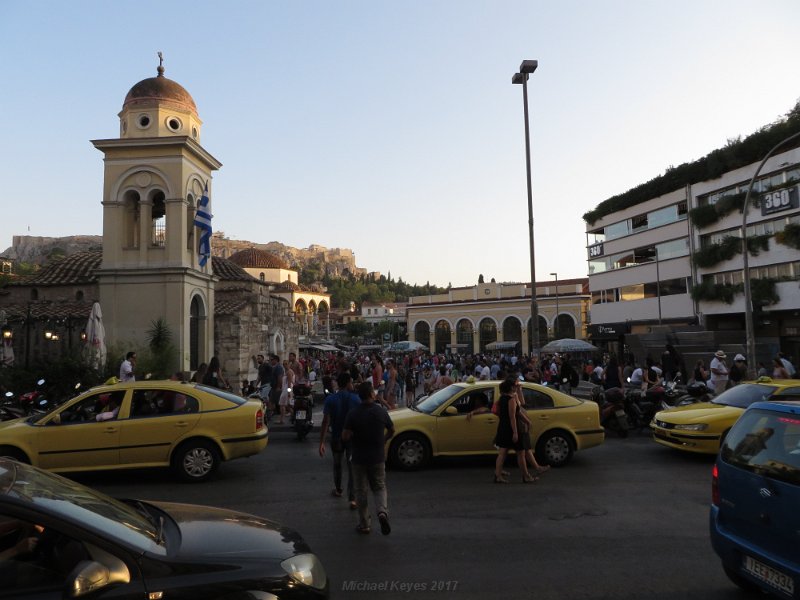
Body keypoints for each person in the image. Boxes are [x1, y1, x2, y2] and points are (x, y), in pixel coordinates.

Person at [342, 381, 395, 535]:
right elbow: (392, 430)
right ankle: (382, 512)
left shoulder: (353, 413)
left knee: (361, 491)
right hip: (377, 456)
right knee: (379, 487)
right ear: (372, 394)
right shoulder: (380, 411)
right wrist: (383, 440)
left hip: (359, 457)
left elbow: (345, 436)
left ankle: (364, 524)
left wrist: (352, 434)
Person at [319, 372, 361, 509]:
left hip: (337, 437)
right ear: (348, 383)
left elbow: (325, 421)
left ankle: (338, 489)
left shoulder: (331, 399)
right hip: (352, 438)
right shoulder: (356, 399)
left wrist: (321, 442)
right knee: (351, 466)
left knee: (337, 464)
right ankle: (353, 498)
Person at [492, 378, 535, 484]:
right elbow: (513, 416)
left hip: (503, 427)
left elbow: (515, 413)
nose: (517, 387)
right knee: (521, 453)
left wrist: (527, 421)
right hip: (510, 429)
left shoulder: (502, 398)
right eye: (515, 386)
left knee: (502, 453)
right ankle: (526, 476)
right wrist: (515, 432)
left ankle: (498, 475)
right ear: (511, 387)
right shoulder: (511, 399)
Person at [268, 354, 284, 422]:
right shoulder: (274, 367)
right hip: (273, 387)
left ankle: (281, 418)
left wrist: (278, 387)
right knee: (272, 402)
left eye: (272, 360)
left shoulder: (279, 367)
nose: (270, 361)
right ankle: (271, 414)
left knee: (279, 403)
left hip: (276, 388)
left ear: (276, 360)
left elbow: (279, 378)